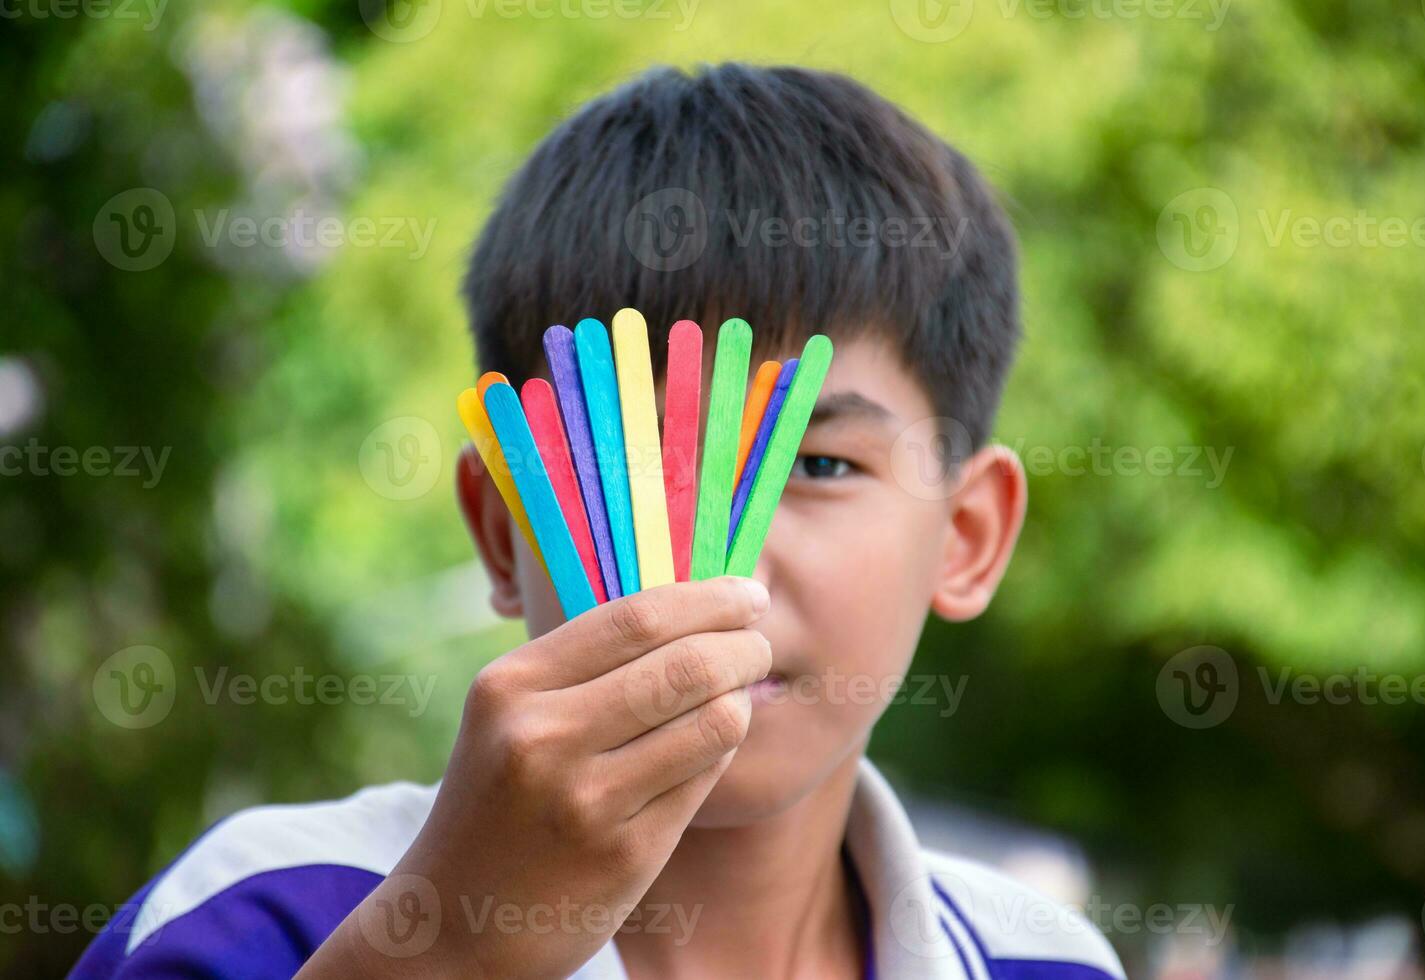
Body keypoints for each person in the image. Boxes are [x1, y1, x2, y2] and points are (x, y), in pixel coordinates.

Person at [74, 63, 1125, 979]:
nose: (721, 563)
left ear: (967, 534)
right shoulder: (255, 916)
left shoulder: (1044, 959)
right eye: (628, 463)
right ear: (501, 527)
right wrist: (445, 945)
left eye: (815, 462)